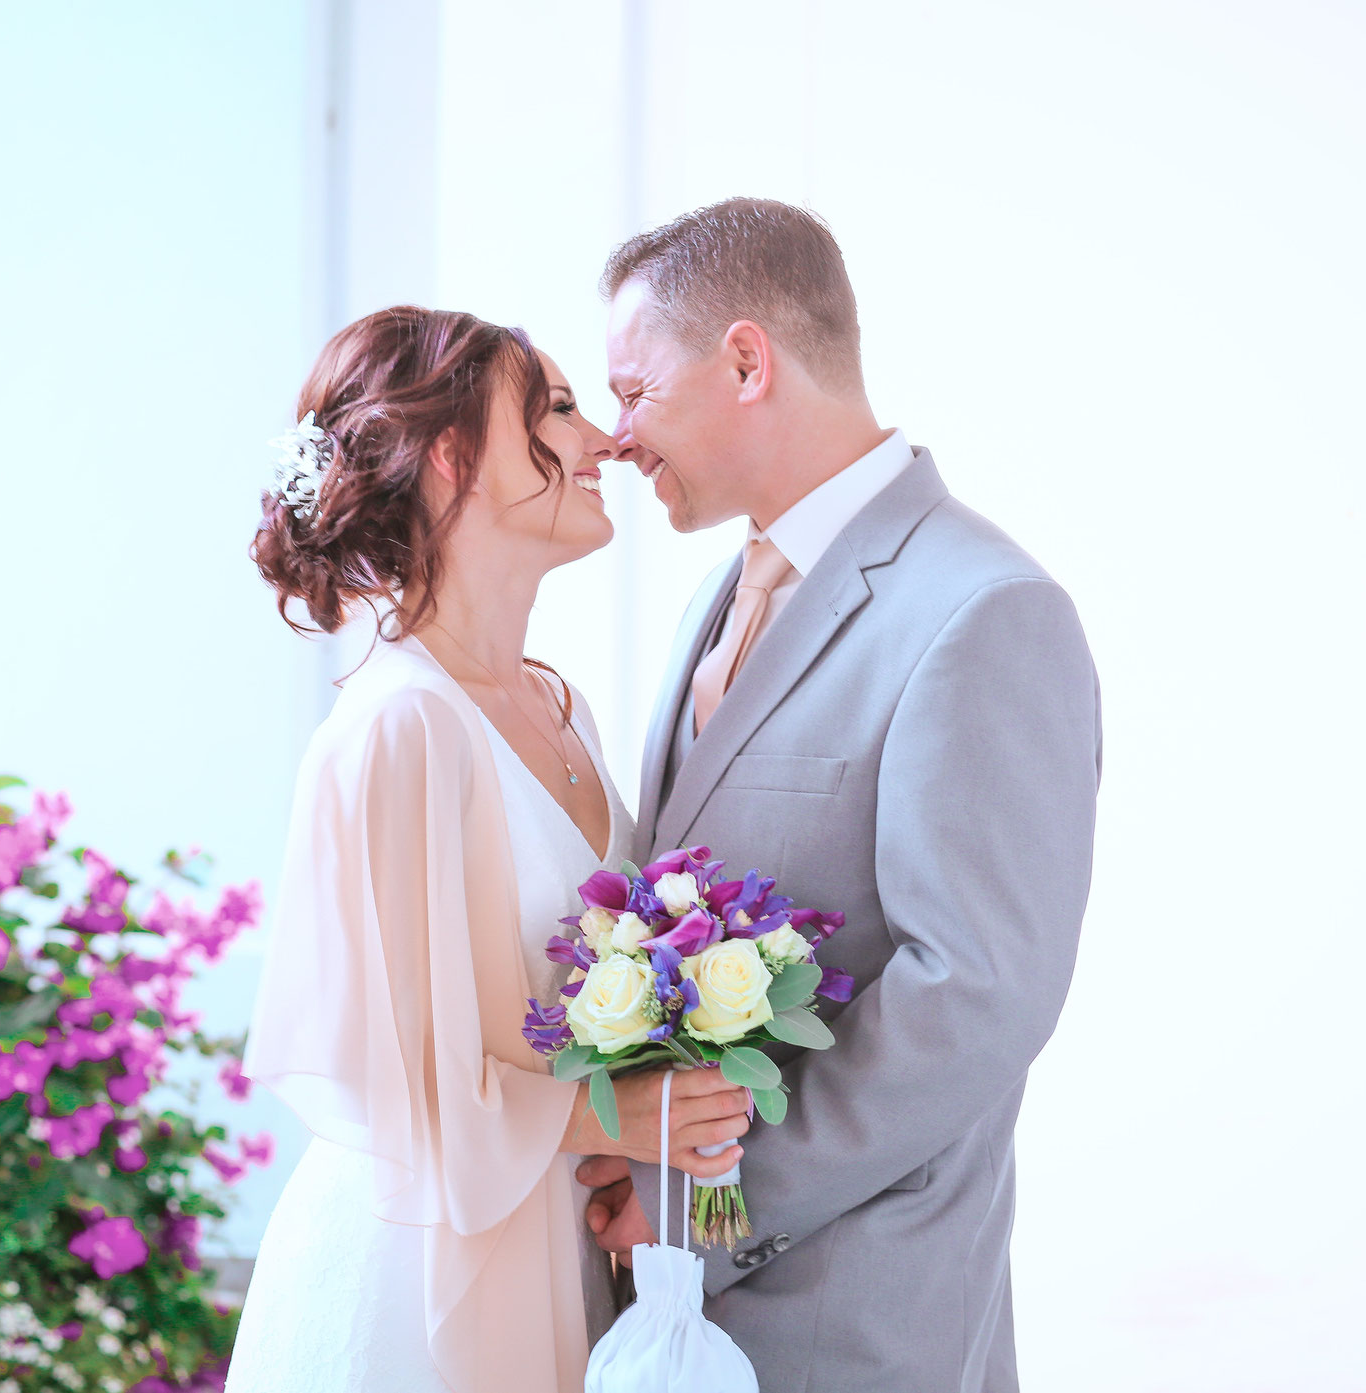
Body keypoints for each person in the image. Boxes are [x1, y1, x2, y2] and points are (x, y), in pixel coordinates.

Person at [576, 198, 1104, 1392]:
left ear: (746, 359)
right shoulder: (718, 593)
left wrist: (699, 1201)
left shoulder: (981, 610)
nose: (617, 438)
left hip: (856, 1319)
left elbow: (973, 994)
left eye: (633, 392)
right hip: (675, 1314)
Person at [227, 305, 752, 1393]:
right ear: (454, 456)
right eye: (556, 410)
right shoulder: (400, 728)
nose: (604, 440)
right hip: (417, 1264)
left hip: (545, 1227)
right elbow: (401, 1089)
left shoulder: (559, 708)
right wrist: (624, 1112)